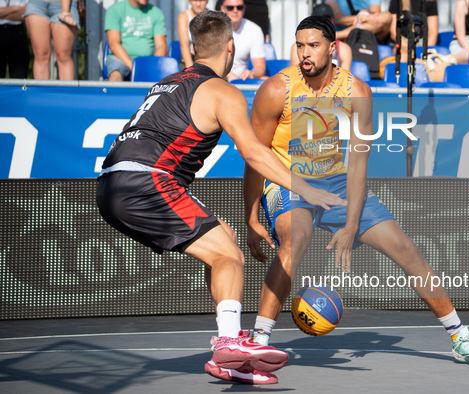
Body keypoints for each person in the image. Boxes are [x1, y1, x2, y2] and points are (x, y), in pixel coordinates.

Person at [96, 10, 346, 385]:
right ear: (231, 47)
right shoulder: (222, 90)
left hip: (109, 184)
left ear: (192, 48)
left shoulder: (166, 82)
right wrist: (307, 188)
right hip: (147, 182)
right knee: (229, 255)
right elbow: (254, 153)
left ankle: (229, 359)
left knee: (224, 243)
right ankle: (229, 342)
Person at [243, 15, 469, 375]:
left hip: (335, 183)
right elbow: (255, 157)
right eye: (300, 45)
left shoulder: (358, 91)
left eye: (313, 45)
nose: (305, 53)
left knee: (405, 248)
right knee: (294, 241)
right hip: (287, 183)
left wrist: (351, 225)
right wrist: (252, 217)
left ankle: (460, 336)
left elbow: (358, 162)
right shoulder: (275, 89)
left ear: (332, 48)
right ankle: (256, 344)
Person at [104, 0, 166, 81]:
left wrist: (153, 66)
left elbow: (162, 46)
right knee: (115, 74)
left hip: (146, 61)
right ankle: (116, 93)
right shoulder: (115, 10)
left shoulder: (156, 12)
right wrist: (135, 68)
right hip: (120, 59)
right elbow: (114, 44)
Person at [24, 0, 79, 80]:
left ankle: (67, 92)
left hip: (64, 6)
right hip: (36, 4)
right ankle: (41, 92)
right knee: (41, 55)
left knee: (63, 56)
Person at [290, 3, 352, 72]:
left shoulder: (343, 48)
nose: (305, 54)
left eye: (327, 20)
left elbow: (345, 80)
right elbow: (296, 78)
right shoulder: (296, 47)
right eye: (320, 21)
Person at [220, 0, 266, 81]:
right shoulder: (214, 28)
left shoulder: (254, 30)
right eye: (230, 8)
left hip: (242, 80)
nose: (235, 10)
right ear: (222, 9)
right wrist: (227, 75)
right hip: (219, 77)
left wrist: (251, 73)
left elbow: (260, 67)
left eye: (239, 7)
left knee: (268, 80)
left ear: (244, 9)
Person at [325, 0, 392, 44]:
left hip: (368, 36)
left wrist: (366, 12)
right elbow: (337, 19)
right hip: (345, 40)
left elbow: (376, 16)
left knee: (387, 16)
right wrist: (361, 16)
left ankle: (337, 35)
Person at [0, 0, 29, 79]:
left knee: (19, 77)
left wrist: (3, 13)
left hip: (18, 32)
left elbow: (28, 12)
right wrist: (15, 8)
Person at [177, 0, 208, 67]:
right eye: (195, 0)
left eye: (202, 0)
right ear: (189, 1)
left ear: (207, 1)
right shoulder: (183, 16)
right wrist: (191, 70)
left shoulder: (215, 15)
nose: (198, 4)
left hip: (210, 60)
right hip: (190, 59)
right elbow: (184, 45)